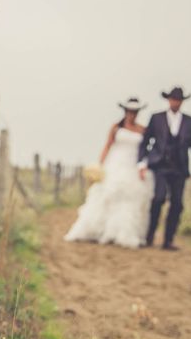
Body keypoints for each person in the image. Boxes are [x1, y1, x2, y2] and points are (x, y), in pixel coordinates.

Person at [65, 97, 154, 248]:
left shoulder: (143, 130)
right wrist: (99, 165)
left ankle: (124, 233)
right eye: (129, 111)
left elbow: (145, 151)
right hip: (115, 164)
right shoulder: (115, 128)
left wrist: (143, 165)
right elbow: (107, 146)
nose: (132, 114)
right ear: (125, 112)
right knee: (106, 196)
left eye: (135, 112)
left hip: (133, 167)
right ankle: (98, 230)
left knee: (130, 200)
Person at [138, 87, 191, 251]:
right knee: (158, 199)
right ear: (168, 100)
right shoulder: (156, 118)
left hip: (179, 168)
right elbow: (146, 141)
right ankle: (149, 237)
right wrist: (142, 163)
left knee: (177, 203)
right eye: (173, 99)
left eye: (178, 100)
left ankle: (168, 241)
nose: (175, 102)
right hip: (160, 166)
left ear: (182, 102)